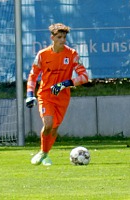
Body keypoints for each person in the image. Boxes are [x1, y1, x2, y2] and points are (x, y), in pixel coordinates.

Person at [26, 23, 89, 166]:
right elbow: (33, 76)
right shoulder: (43, 55)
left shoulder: (72, 54)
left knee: (54, 128)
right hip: (45, 95)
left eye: (64, 37)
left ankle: (45, 154)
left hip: (62, 97)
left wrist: (64, 84)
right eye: (59, 37)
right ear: (52, 38)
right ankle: (43, 152)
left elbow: (84, 76)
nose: (62, 40)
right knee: (48, 124)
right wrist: (30, 94)